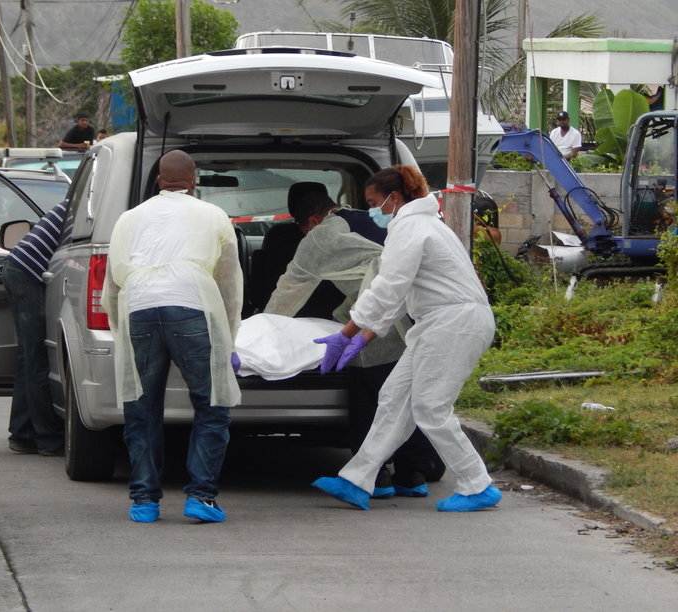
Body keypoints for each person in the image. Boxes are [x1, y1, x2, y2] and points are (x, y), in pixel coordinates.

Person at [311, 165, 502, 513]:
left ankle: (477, 485)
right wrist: (367, 334)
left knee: (430, 407)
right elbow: (398, 296)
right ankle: (357, 479)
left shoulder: (411, 227)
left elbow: (387, 287)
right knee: (394, 397)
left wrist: (346, 333)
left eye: (373, 202)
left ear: (393, 198)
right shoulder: (423, 225)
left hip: (453, 323)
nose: (371, 210)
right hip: (442, 322)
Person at [264, 191, 445, 498]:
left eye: (301, 227)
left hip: (378, 325)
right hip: (419, 314)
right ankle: (413, 474)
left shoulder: (320, 237)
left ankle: (377, 478)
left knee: (371, 398)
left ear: (311, 220)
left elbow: (291, 286)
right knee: (408, 395)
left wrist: (264, 326)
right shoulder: (374, 221)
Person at [100, 150, 243, 524]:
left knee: (141, 407)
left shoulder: (129, 218)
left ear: (159, 181)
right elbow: (228, 280)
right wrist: (229, 335)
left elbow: (113, 282)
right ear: (193, 181)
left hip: (139, 308)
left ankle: (144, 500)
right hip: (192, 304)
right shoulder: (213, 215)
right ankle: (201, 496)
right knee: (210, 405)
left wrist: (121, 331)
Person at [1, 201, 68, 456]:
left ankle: (22, 432)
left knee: (28, 357)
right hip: (27, 272)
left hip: (19, 267)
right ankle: (47, 438)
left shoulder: (77, 201)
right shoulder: (83, 206)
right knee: (37, 358)